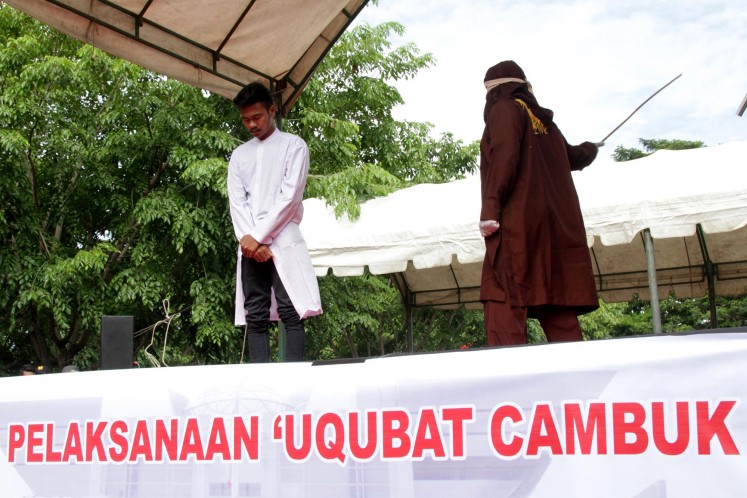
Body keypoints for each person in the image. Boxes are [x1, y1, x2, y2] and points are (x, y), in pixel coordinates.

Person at [479, 60, 599, 346]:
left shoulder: (504, 109)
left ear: (495, 90)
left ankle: (508, 379)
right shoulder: (545, 122)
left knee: (501, 291)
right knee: (552, 298)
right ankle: (581, 375)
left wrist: (491, 209)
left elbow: (505, 156)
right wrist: (591, 149)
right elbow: (572, 157)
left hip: (518, 224)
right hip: (554, 230)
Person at [227, 82, 322, 363]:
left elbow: (289, 197)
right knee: (255, 314)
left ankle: (293, 381)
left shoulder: (295, 146)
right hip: (249, 246)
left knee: (290, 309)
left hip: (282, 239)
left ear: (272, 110)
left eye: (256, 117)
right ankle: (260, 382)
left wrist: (257, 237)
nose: (251, 124)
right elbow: (237, 202)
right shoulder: (239, 155)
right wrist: (250, 241)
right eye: (245, 120)